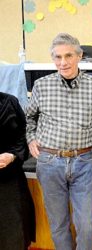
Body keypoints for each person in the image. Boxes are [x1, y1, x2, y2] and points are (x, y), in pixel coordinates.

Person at [26, 33, 92, 250]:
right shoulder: (41, 85)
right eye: (57, 57)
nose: (63, 62)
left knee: (86, 224)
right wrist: (31, 139)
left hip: (82, 161)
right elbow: (29, 118)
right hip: (49, 162)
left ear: (80, 56)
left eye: (68, 56)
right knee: (58, 224)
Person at [0, 92, 35, 250]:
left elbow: (24, 135)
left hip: (9, 178)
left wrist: (13, 155)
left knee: (15, 231)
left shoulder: (9, 101)